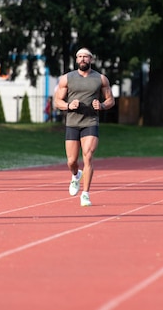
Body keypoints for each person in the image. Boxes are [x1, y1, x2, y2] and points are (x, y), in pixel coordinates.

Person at [53, 48, 115, 207]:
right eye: (80, 57)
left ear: (91, 60)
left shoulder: (100, 79)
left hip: (90, 122)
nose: (82, 59)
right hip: (73, 123)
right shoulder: (67, 78)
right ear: (76, 59)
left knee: (88, 156)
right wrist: (68, 105)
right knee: (71, 161)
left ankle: (86, 194)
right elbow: (57, 101)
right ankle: (75, 175)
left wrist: (101, 105)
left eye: (85, 57)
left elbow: (110, 100)